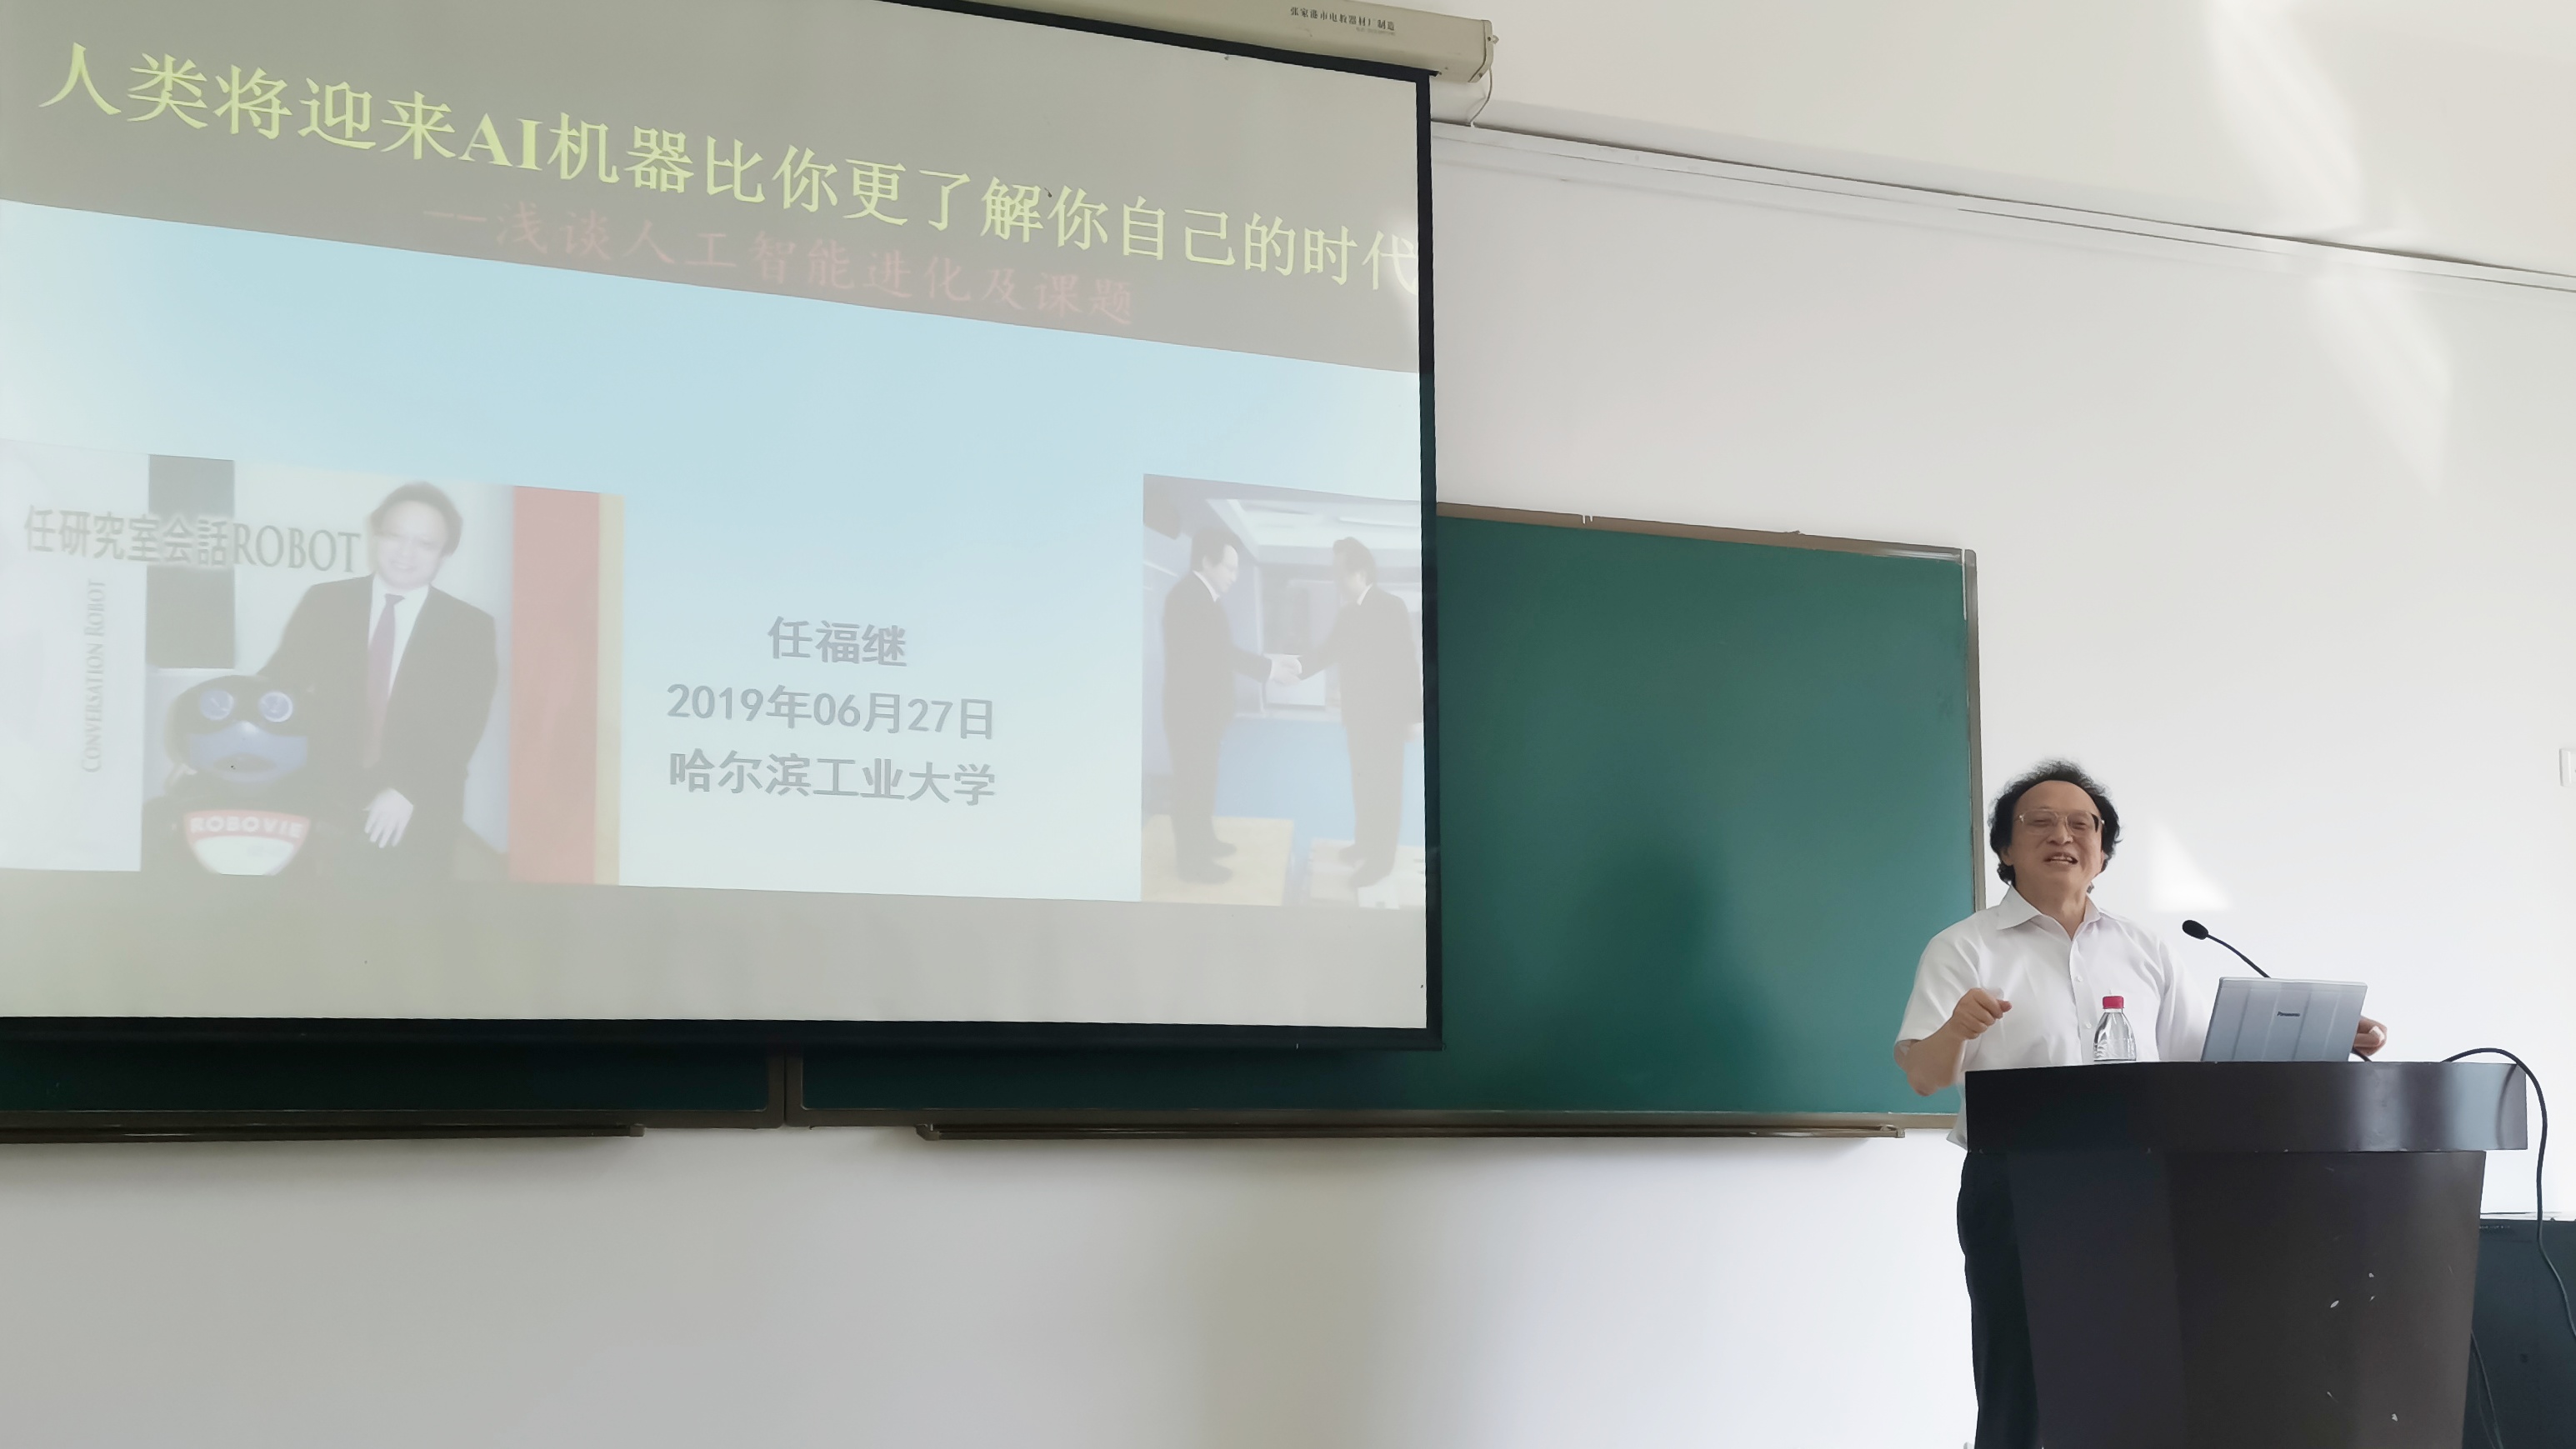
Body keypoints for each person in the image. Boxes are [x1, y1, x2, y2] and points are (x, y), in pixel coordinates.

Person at [1893, 761, 2386, 1448]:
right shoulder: (1963, 947)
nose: (2062, 834)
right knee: (2020, 1380)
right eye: (2039, 821)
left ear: (2102, 850)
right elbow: (1922, 1076)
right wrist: (1955, 1028)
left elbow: (2204, 1063)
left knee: (2135, 1380)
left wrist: (2323, 1039)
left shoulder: (2145, 949)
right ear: (2004, 846)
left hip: (2137, 1186)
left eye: (2081, 823)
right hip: (2016, 1186)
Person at [263, 482, 498, 879]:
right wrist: (213, 744)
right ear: (376, 535)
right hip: (328, 795)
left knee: (409, 906)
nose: (406, 552)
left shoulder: (469, 627)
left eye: (425, 544)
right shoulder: (325, 602)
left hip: (421, 798)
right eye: (395, 536)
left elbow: (462, 726)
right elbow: (277, 683)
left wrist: (407, 790)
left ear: (445, 553)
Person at [1160, 527, 1289, 883]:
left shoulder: (1203, 597)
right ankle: (1192, 864)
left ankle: (1204, 842)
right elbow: (1220, 653)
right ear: (1207, 562)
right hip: (1190, 715)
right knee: (1191, 786)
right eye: (1230, 568)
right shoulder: (1189, 598)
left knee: (1203, 782)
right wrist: (1269, 668)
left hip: (1202, 715)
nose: (1234, 576)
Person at [1289, 537, 1421, 887]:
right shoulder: (1347, 614)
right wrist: (1296, 668)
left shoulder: (1391, 607)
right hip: (1358, 719)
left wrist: (1412, 717)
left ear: (1360, 573)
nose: (1335, 579)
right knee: (1362, 784)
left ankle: (1382, 861)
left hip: (1388, 721)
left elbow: (1407, 662)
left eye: (1339, 572)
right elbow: (1327, 651)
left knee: (1385, 791)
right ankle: (1365, 844)